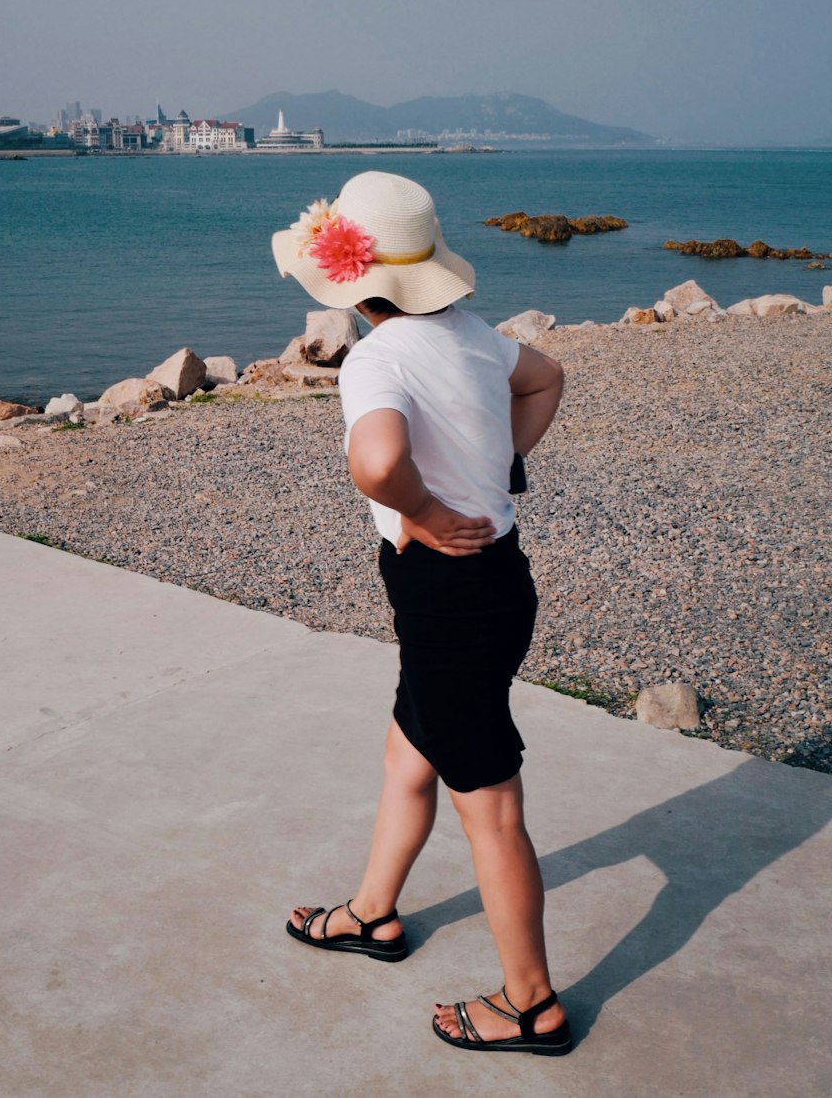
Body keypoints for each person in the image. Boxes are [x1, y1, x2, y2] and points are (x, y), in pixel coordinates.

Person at [272, 171, 570, 1056]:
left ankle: (531, 1003)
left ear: (349, 284)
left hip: (452, 593)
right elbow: (548, 378)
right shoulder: (476, 335)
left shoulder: (375, 359)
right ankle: (372, 912)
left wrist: (430, 513)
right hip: (493, 583)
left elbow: (376, 461)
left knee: (492, 807)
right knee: (411, 747)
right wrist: (496, 468)